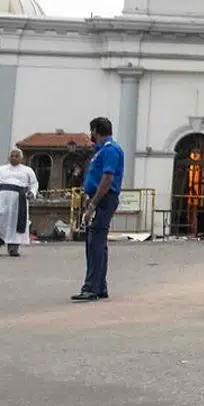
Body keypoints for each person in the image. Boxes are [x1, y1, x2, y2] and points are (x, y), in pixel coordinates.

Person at [72, 118, 123, 301]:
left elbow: (107, 178)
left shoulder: (110, 150)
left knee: (96, 242)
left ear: (96, 130)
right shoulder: (100, 150)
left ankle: (91, 288)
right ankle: (100, 286)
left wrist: (93, 203)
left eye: (91, 131)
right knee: (96, 242)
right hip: (99, 197)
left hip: (104, 199)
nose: (90, 135)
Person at [0, 148, 39, 257]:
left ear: (21, 158)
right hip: (2, 198)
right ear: (9, 157)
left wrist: (32, 192)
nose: (14, 158)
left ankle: (13, 247)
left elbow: (34, 183)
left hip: (19, 199)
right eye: (12, 156)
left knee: (16, 222)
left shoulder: (27, 170)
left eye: (16, 156)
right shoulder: (1, 169)